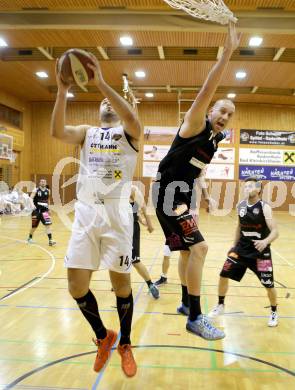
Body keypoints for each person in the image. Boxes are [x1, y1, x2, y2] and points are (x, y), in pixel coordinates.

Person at [50, 54, 141, 377]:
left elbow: (134, 120)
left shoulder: (130, 134)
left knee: (121, 287)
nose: (107, 102)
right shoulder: (87, 132)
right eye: (103, 99)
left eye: (114, 101)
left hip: (116, 217)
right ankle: (105, 337)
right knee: (76, 287)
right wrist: (62, 89)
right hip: (86, 216)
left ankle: (126, 343)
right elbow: (57, 131)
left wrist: (101, 80)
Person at [153, 22, 240, 340]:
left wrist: (200, 198)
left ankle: (184, 304)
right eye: (221, 110)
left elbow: (196, 171)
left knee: (189, 252)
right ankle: (196, 317)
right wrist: (227, 53)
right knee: (201, 248)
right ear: (210, 109)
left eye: (230, 114)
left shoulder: (215, 141)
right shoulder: (194, 124)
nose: (225, 117)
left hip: (180, 196)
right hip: (166, 194)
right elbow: (207, 88)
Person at [209, 177, 279, 327]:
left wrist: (265, 241)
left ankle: (274, 312)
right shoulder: (240, 206)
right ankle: (220, 304)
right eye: (245, 186)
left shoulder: (264, 207)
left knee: (269, 284)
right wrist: (234, 246)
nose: (247, 188)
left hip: (261, 253)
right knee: (223, 273)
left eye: (250, 186)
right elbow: (239, 227)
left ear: (258, 189)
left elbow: (275, 231)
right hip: (241, 250)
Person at [155, 168, 217, 286]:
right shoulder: (176, 169)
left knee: (186, 252)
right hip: (174, 211)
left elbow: (200, 177)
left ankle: (188, 286)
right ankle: (164, 276)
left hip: (188, 213)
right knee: (169, 248)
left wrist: (207, 197)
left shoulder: (195, 173)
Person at [130, 184, 159, 299]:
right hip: (118, 229)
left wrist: (149, 224)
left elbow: (142, 210)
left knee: (135, 261)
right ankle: (118, 283)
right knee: (117, 260)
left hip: (131, 229)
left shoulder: (133, 190)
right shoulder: (113, 190)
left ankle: (150, 285)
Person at [27, 179, 56, 246]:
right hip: (36, 211)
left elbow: (48, 200)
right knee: (34, 226)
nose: (43, 183)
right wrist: (32, 205)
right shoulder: (36, 190)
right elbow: (30, 198)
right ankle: (30, 238)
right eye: (42, 182)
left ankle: (50, 240)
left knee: (48, 225)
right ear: (39, 183)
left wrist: (48, 209)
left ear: (46, 183)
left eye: (44, 182)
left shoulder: (48, 191)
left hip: (45, 211)